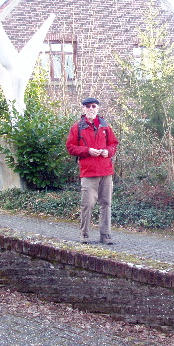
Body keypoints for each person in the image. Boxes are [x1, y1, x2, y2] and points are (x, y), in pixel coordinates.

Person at [66, 98, 119, 244]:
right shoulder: (77, 127)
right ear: (83, 109)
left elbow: (113, 144)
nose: (91, 108)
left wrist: (108, 152)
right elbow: (70, 147)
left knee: (106, 204)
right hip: (88, 172)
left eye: (93, 106)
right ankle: (84, 235)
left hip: (106, 171)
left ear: (97, 108)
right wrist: (88, 150)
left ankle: (105, 235)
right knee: (87, 204)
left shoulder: (105, 126)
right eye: (87, 106)